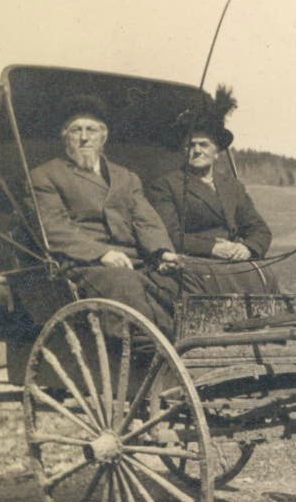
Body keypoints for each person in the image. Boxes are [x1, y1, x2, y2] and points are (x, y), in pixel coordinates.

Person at [29, 94, 186, 335]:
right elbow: (54, 226)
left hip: (133, 260)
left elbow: (145, 220)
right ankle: (146, 349)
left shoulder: (126, 177)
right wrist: (101, 253)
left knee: (179, 280)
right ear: (65, 137)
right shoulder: (46, 175)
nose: (84, 138)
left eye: (91, 130)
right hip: (84, 264)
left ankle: (186, 346)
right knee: (123, 284)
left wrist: (162, 252)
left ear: (104, 136)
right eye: (76, 131)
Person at [145, 85, 278, 295]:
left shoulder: (232, 186)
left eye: (204, 145)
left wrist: (247, 248)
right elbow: (168, 234)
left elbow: (259, 229)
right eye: (191, 145)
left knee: (264, 275)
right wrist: (212, 248)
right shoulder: (167, 185)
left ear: (216, 153)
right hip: (195, 263)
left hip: (234, 262)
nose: (197, 151)